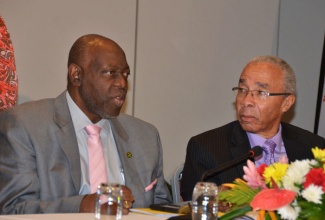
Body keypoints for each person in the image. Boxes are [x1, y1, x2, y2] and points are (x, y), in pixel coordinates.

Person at [0, 34, 171, 214]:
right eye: (111, 72)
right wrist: (83, 206)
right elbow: (12, 210)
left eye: (125, 74)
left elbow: (162, 210)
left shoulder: (145, 136)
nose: (122, 83)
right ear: (76, 75)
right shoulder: (25, 126)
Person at [180, 55, 325, 201]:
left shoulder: (314, 148)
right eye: (242, 90)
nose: (246, 101)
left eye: (261, 92)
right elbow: (197, 207)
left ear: (287, 103)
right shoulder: (206, 147)